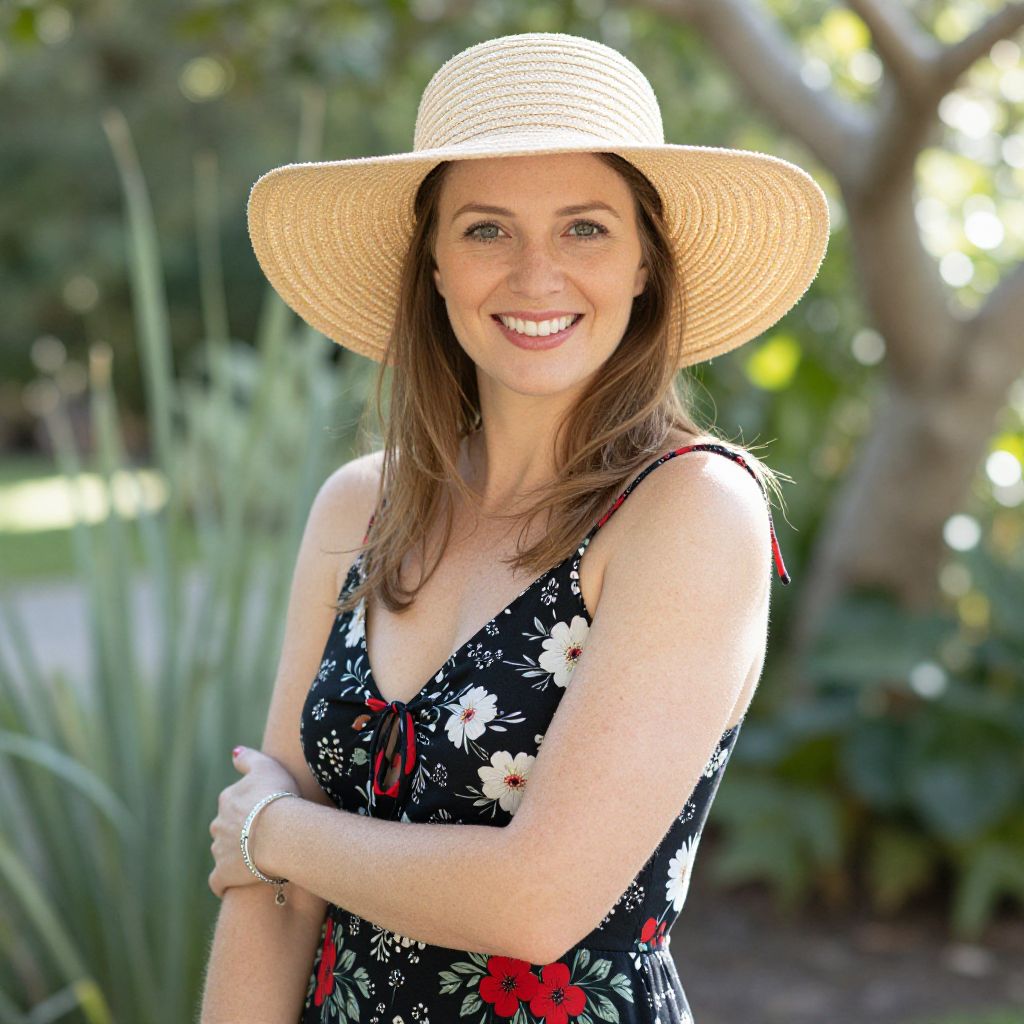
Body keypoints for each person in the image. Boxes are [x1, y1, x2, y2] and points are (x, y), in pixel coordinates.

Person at [201, 30, 828, 1024]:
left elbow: (536, 899)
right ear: (435, 265)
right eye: (486, 230)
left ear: (643, 268)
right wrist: (269, 843)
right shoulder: (358, 505)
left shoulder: (690, 508)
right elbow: (267, 902)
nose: (536, 275)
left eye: (585, 229)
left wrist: (273, 830)